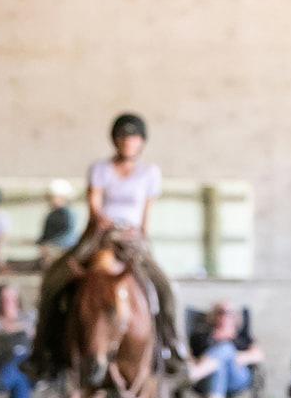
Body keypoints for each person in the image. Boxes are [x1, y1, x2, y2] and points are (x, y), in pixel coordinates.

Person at [27, 113, 183, 377]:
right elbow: (95, 207)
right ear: (114, 141)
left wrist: (138, 233)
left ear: (141, 142)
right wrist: (105, 222)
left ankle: (173, 346)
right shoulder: (99, 169)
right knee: (53, 280)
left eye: (133, 137)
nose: (127, 142)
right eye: (122, 137)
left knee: (165, 287)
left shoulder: (149, 173)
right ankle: (41, 350)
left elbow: (145, 213)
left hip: (132, 241)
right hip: (99, 236)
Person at [185, 302, 263, 398]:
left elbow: (258, 355)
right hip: (209, 380)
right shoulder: (200, 336)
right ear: (213, 316)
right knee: (219, 369)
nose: (224, 316)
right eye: (220, 312)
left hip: (237, 378)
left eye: (229, 312)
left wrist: (236, 357)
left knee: (226, 348)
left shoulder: (242, 336)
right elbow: (188, 357)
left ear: (235, 316)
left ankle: (194, 373)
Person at [36, 178, 79, 265]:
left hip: (59, 248)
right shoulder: (63, 212)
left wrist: (44, 243)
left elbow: (61, 232)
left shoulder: (64, 213)